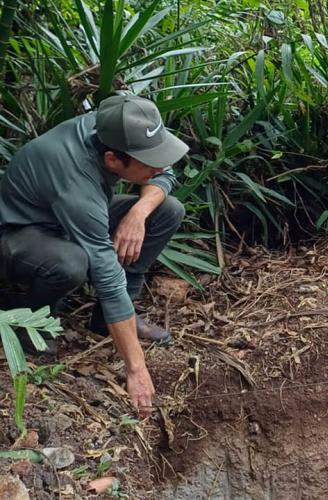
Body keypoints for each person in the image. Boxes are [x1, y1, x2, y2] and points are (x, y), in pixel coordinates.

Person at [0, 95, 189, 415]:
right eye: (149, 162)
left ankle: (106, 320)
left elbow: (165, 174)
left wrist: (137, 214)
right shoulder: (74, 177)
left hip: (68, 218)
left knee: (167, 210)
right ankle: (34, 320)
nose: (159, 165)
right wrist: (136, 368)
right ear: (113, 160)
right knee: (73, 262)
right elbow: (105, 272)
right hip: (19, 234)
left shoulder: (116, 128)